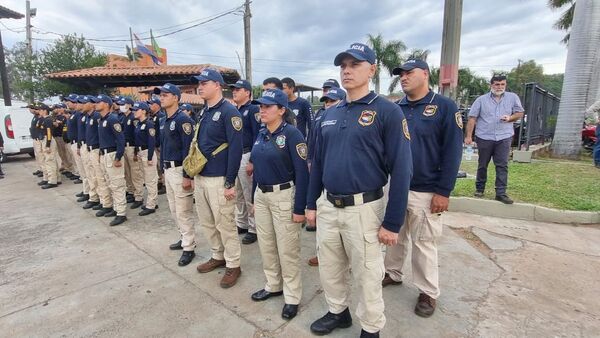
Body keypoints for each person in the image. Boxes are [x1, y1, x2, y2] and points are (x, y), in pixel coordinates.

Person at [306, 43, 412, 337]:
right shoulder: (329, 113)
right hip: (329, 205)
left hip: (364, 209)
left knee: (367, 273)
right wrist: (312, 204)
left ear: (371, 69)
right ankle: (338, 312)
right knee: (330, 267)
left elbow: (402, 170)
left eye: (355, 64)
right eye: (343, 66)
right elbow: (318, 163)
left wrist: (392, 223)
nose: (347, 70)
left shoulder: (387, 111)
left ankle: (371, 327)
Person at [383, 59, 463, 318]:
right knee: (393, 236)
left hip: (426, 189)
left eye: (409, 73)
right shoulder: (397, 108)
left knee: (424, 243)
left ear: (425, 74)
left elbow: (453, 152)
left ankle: (427, 291)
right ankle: (392, 273)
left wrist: (444, 191)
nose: (403, 78)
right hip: (396, 185)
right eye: (401, 74)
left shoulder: (444, 107)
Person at [248, 89, 309, 320]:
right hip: (262, 196)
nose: (262, 110)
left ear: (282, 110)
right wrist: (255, 197)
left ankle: (292, 296)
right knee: (266, 244)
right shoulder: (261, 132)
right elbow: (257, 169)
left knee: (287, 249)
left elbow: (303, 174)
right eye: (260, 106)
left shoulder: (293, 135)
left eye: (268, 106)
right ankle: (273, 284)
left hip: (284, 196)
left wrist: (299, 208)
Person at [191, 69, 243, 288]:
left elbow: (236, 149)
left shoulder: (229, 112)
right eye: (199, 83)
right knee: (207, 222)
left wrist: (230, 181)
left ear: (218, 85)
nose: (200, 86)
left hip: (219, 178)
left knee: (226, 224)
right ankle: (217, 255)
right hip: (201, 176)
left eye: (205, 82)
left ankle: (233, 265)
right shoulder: (204, 111)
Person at [154, 83, 197, 267]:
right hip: (168, 168)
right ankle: (183, 237)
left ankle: (189, 247)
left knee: (183, 210)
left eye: (165, 95)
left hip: (180, 170)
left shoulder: (183, 120)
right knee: (173, 209)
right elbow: (163, 146)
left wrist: (188, 175)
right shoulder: (164, 120)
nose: (161, 98)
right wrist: (162, 170)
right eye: (160, 95)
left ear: (176, 98)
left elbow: (189, 149)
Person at [465, 74, 524, 204]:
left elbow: (520, 113)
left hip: (504, 136)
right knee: (482, 164)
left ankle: (501, 193)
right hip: (484, 136)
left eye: (502, 84)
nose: (500, 87)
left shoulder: (512, 98)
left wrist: (510, 118)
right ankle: (479, 189)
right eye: (497, 84)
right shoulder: (481, 100)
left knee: (502, 165)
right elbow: (472, 118)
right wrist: (468, 136)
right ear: (491, 85)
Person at [305, 86, 345, 267]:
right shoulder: (321, 116)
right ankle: (321, 253)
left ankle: (344, 257)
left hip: (339, 176)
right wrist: (310, 159)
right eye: (326, 101)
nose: (328, 104)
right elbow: (313, 139)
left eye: (333, 101)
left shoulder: (345, 118)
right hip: (318, 165)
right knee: (323, 214)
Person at [230, 79, 261, 244]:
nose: (234, 91)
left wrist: (253, 161)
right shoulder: (235, 110)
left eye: (238, 89)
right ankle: (241, 223)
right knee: (239, 193)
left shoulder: (253, 109)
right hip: (235, 155)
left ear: (247, 92)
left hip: (247, 154)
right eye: (233, 89)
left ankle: (253, 227)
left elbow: (258, 136)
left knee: (249, 193)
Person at [94, 94, 127, 226]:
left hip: (113, 154)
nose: (96, 103)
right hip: (104, 154)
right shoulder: (102, 120)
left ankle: (121, 213)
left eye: (99, 101)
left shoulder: (113, 119)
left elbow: (120, 139)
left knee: (117, 184)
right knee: (109, 182)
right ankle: (115, 208)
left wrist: (118, 156)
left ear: (106, 104)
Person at [83, 95, 112, 212]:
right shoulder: (90, 117)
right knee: (93, 176)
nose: (96, 104)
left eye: (85, 102)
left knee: (101, 177)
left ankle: (106, 202)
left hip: (98, 150)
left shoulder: (97, 117)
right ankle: (101, 199)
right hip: (90, 149)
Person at [132, 101, 159, 216]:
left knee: (150, 180)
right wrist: (135, 153)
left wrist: (149, 158)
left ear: (143, 111)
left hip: (148, 152)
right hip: (140, 152)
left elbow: (151, 141)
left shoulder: (149, 124)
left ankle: (151, 205)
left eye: (136, 110)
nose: (134, 111)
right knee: (146, 179)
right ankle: (152, 201)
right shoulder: (138, 124)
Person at [117, 97, 144, 208]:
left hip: (132, 147)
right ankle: (131, 191)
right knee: (127, 173)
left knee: (135, 173)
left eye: (123, 104)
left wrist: (136, 151)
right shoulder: (123, 117)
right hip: (124, 147)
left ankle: (139, 196)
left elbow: (137, 135)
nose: (121, 106)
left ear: (129, 105)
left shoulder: (134, 117)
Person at [77, 95, 101, 209]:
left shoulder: (96, 116)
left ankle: (101, 199)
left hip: (96, 148)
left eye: (84, 102)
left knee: (97, 175)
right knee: (90, 174)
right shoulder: (87, 116)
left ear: (92, 104)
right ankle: (94, 196)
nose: (82, 105)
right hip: (87, 147)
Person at [38, 103, 61, 189]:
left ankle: (52, 181)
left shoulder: (47, 120)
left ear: (44, 111)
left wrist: (47, 145)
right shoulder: (45, 119)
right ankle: (57, 178)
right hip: (47, 139)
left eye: (40, 110)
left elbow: (48, 132)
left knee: (49, 161)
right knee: (52, 160)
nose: (39, 111)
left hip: (48, 140)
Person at [52, 103, 76, 179]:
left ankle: (73, 170)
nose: (58, 109)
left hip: (64, 138)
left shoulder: (65, 118)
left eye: (60, 107)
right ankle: (68, 168)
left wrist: (59, 123)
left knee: (69, 155)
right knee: (62, 154)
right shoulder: (56, 116)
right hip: (61, 137)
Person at [148, 97, 167, 195]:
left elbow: (160, 132)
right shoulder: (153, 116)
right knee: (157, 165)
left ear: (157, 105)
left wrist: (158, 144)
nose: (150, 106)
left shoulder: (161, 116)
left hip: (158, 145)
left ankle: (164, 184)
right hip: (154, 144)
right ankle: (160, 181)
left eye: (152, 104)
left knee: (160, 165)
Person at [65, 94, 85, 185]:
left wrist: (79, 145)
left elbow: (80, 130)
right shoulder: (73, 114)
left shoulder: (78, 114)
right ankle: (85, 188)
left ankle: (87, 190)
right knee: (80, 166)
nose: (67, 103)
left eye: (69, 101)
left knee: (83, 167)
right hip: (72, 142)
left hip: (78, 142)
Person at [29, 104, 44, 178]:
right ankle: (40, 168)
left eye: (32, 109)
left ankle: (43, 169)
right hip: (34, 138)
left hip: (38, 138)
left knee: (40, 155)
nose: (31, 110)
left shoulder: (39, 117)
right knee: (37, 155)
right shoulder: (35, 117)